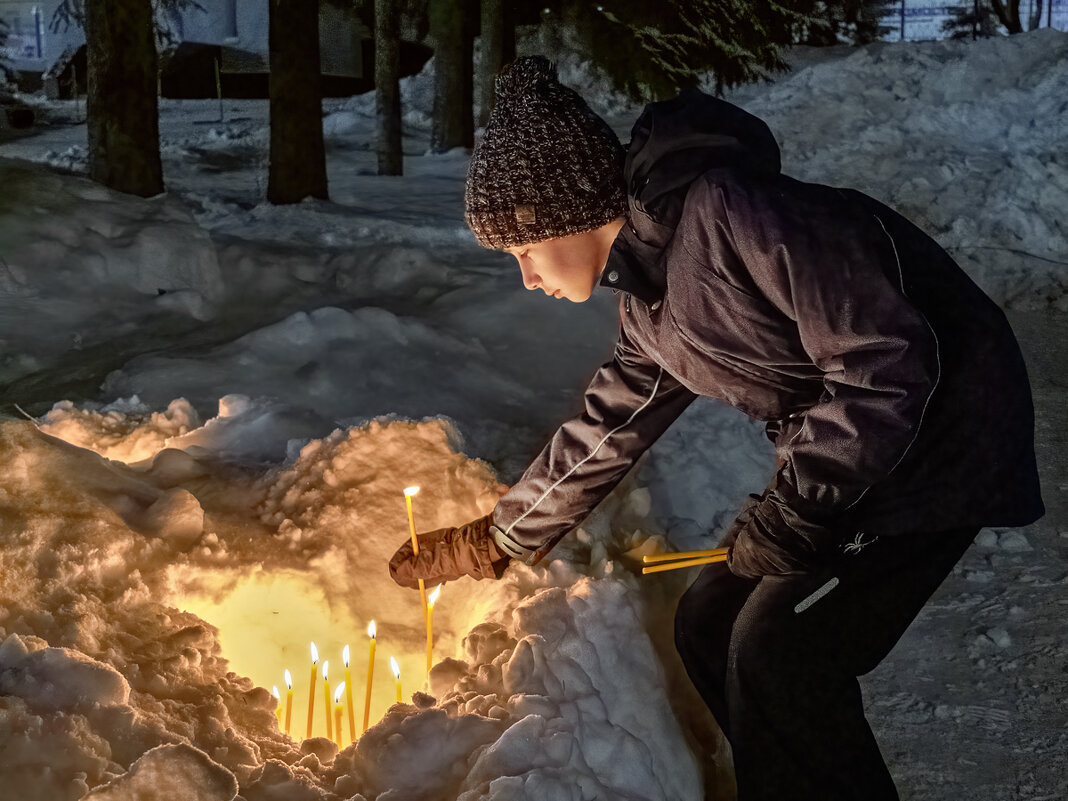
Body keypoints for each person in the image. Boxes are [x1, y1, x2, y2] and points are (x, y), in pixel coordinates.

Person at [388, 56, 1044, 800]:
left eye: (524, 250)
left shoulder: (733, 214)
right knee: (707, 619)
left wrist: (797, 509)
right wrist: (499, 536)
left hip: (938, 437)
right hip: (858, 456)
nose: (528, 277)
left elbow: (886, 357)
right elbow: (611, 423)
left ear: (563, 213)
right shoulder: (648, 299)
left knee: (782, 653)